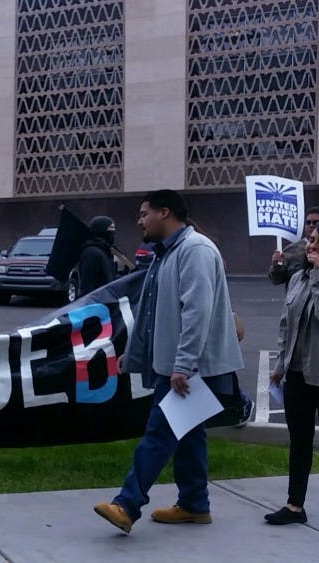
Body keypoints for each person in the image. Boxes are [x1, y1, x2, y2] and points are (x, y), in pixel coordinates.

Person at [93, 190, 243, 534]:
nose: (139, 220)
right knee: (188, 435)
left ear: (165, 212)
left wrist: (184, 365)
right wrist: (133, 356)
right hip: (180, 367)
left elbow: (197, 311)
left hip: (192, 370)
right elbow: (150, 313)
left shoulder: (196, 251)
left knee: (160, 433)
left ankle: (127, 505)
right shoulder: (168, 254)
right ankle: (194, 504)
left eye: (144, 213)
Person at [266, 225, 319, 525]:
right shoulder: (299, 277)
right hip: (297, 374)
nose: (309, 247)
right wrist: (279, 366)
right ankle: (294, 506)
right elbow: (287, 324)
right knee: (299, 440)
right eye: (310, 241)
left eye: (315, 243)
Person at [270, 206, 319, 286]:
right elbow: (277, 280)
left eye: (315, 222)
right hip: (299, 296)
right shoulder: (291, 250)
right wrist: (276, 267)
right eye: (308, 222)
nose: (311, 225)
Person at [77, 216, 117, 297]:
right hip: (96, 304)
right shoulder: (91, 253)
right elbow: (87, 285)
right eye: (110, 230)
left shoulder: (105, 252)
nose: (113, 233)